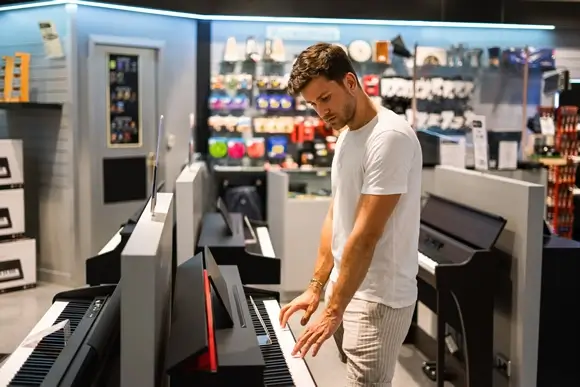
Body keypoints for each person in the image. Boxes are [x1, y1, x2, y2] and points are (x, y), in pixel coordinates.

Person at [278, 42, 422, 387]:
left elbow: (366, 236)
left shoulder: (388, 137)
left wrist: (332, 310)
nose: (320, 112)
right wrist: (316, 287)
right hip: (351, 287)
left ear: (350, 82)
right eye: (312, 104)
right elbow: (336, 216)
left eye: (325, 99)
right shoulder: (347, 132)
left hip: (378, 298)